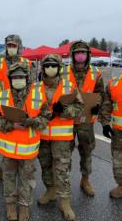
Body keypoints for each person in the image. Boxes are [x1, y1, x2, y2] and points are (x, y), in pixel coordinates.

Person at [0, 63, 51, 221]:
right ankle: (10, 206)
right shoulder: (2, 95)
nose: (18, 80)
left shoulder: (38, 95)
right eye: (15, 77)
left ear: (27, 78)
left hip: (28, 150)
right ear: (10, 79)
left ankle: (24, 207)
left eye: (21, 77)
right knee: (9, 180)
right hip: (7, 150)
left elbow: (46, 117)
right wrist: (10, 125)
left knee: (27, 180)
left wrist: (33, 122)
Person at [38, 54, 83, 221]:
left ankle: (65, 201)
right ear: (43, 68)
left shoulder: (69, 86)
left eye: (54, 65)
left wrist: (62, 111)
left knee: (62, 169)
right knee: (45, 166)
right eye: (47, 65)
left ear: (59, 67)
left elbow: (79, 108)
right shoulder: (36, 87)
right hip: (42, 137)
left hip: (62, 138)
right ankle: (50, 190)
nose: (51, 68)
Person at [63, 41, 104, 196]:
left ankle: (85, 180)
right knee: (64, 152)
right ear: (73, 55)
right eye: (77, 52)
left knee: (86, 151)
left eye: (83, 52)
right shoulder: (64, 72)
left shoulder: (96, 72)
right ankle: (63, 181)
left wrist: (97, 105)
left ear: (88, 55)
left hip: (86, 120)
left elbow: (100, 93)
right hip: (67, 120)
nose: (80, 55)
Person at [0, 34, 34, 181]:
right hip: (4, 103)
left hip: (22, 102)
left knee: (20, 136)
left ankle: (18, 167)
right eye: (9, 45)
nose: (11, 48)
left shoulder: (28, 63)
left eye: (14, 45)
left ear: (19, 46)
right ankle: (3, 166)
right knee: (4, 136)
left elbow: (32, 84)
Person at [100, 50, 122, 198]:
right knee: (120, 161)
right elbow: (106, 105)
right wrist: (105, 124)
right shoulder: (113, 83)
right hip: (119, 132)